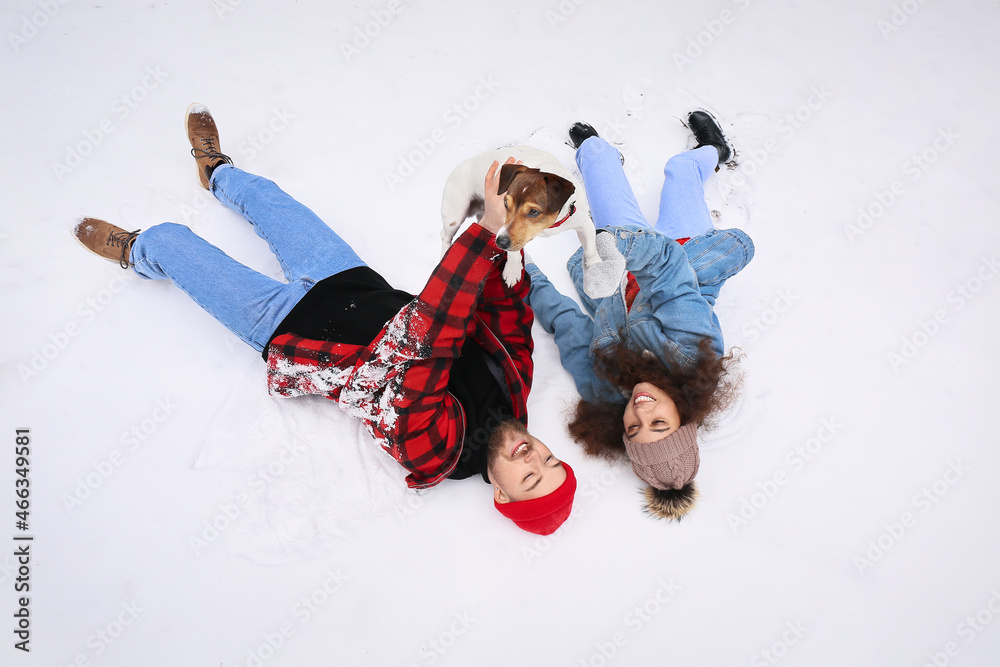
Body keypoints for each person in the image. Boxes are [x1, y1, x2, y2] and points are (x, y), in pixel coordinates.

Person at [74, 104, 576, 536]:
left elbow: (424, 343)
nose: (531, 458)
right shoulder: (515, 389)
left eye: (529, 478)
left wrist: (487, 230)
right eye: (549, 460)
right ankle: (218, 173)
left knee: (170, 241)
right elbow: (507, 311)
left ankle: (138, 251)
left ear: (503, 498)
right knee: (268, 198)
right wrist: (513, 238)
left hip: (289, 329)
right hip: (353, 282)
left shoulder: (437, 454)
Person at [524, 112, 753, 521]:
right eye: (659, 423)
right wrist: (619, 251)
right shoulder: (695, 356)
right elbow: (668, 271)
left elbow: (569, 328)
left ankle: (598, 153)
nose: (641, 412)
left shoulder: (606, 391)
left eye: (633, 428)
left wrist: (523, 272)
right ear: (682, 414)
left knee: (593, 154)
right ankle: (714, 152)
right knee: (680, 170)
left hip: (620, 270)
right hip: (679, 253)